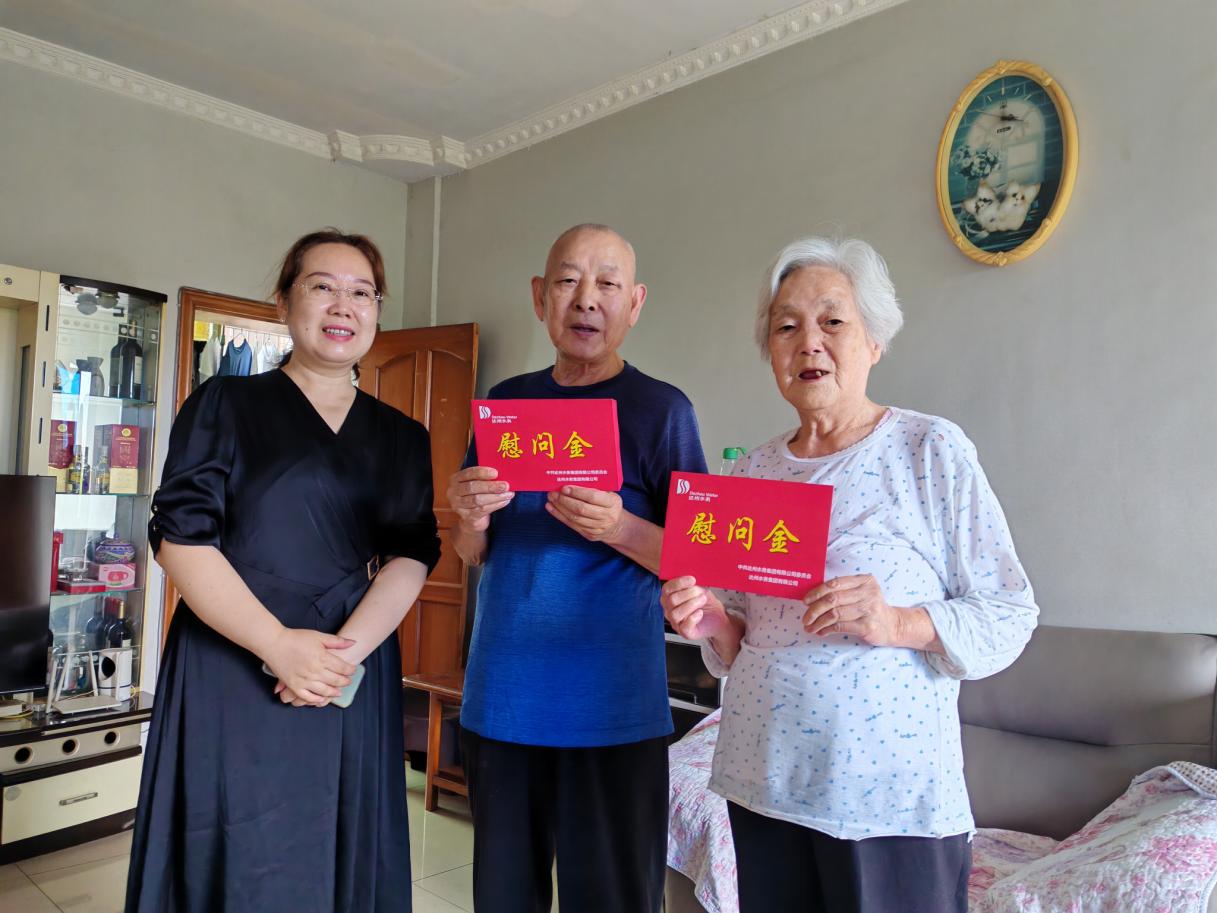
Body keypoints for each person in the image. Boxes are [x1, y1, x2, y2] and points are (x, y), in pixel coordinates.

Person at [661, 237, 1038, 913]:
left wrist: (896, 621)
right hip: (762, 783)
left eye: (832, 321)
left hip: (885, 802)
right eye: (786, 326)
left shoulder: (927, 449)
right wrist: (712, 620)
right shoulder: (750, 472)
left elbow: (1009, 611)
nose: (808, 342)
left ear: (874, 340)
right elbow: (742, 637)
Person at [125, 230, 441, 913]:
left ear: (377, 310)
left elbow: (412, 552)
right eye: (322, 286)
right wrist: (277, 645)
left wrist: (339, 659)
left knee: (338, 842)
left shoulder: (403, 436)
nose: (343, 305)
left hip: (348, 664)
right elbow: (179, 538)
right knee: (237, 843)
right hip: (233, 657)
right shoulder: (224, 404)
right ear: (284, 300)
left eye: (362, 292)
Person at [447, 223, 707, 913]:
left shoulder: (661, 411)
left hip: (612, 710)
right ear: (540, 296)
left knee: (612, 899)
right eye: (567, 281)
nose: (586, 299)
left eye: (607, 284)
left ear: (635, 303)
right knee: (505, 897)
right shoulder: (506, 403)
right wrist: (468, 515)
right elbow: (473, 551)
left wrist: (618, 527)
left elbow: (699, 558)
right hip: (503, 700)